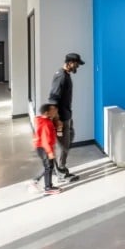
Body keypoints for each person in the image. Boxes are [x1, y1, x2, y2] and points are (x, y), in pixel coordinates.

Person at [48, 52, 85, 183]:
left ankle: (58, 168)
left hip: (66, 116)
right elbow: (53, 99)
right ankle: (61, 172)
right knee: (63, 145)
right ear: (69, 62)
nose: (77, 67)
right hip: (61, 119)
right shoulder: (61, 76)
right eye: (76, 64)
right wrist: (57, 121)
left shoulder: (66, 75)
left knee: (67, 141)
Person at [31, 103, 62, 195]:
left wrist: (59, 127)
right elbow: (45, 140)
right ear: (46, 112)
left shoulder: (47, 121)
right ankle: (47, 188)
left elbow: (54, 134)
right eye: (53, 111)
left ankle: (39, 182)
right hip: (44, 148)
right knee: (48, 167)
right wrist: (50, 152)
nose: (56, 112)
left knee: (49, 167)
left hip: (43, 147)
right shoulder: (46, 124)